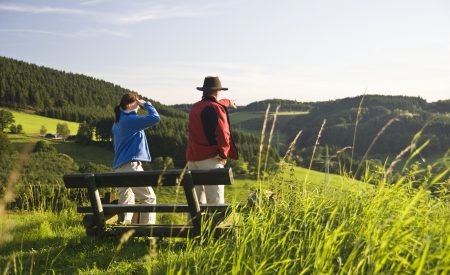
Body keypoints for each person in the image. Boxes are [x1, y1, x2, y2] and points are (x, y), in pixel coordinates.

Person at [186, 76, 238, 205]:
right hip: (210, 159)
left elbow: (217, 103)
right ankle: (213, 226)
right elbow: (223, 133)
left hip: (192, 159)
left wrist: (228, 102)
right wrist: (223, 154)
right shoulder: (216, 108)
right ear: (217, 91)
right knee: (215, 202)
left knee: (196, 202)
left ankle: (194, 225)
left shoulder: (195, 107)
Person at [112, 92, 160, 225]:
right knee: (149, 198)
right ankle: (148, 233)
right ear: (129, 104)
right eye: (136, 102)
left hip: (119, 167)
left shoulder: (118, 121)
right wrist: (146, 104)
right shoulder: (130, 120)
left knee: (126, 200)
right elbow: (155, 118)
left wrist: (137, 105)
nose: (138, 104)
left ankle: (124, 229)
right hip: (131, 166)